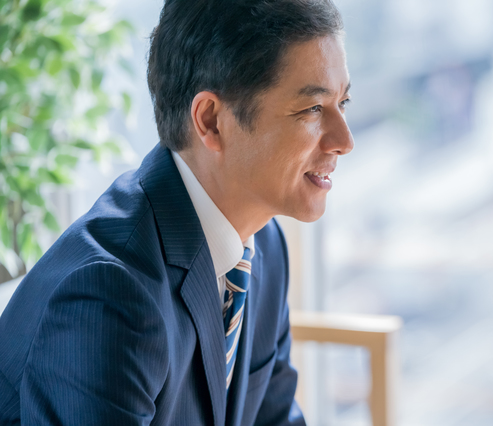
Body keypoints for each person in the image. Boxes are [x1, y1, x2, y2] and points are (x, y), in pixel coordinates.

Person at [0, 0, 353, 424]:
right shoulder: (108, 294)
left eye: (343, 103)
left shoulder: (266, 244)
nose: (344, 140)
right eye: (313, 109)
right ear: (212, 121)